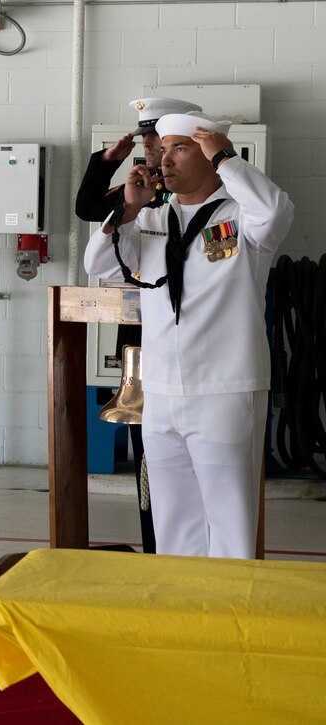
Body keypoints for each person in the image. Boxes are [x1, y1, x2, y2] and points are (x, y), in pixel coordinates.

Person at [83, 111, 294, 558]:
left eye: (179, 148)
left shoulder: (244, 219)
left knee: (229, 518)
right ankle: (181, 613)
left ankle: (228, 619)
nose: (164, 160)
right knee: (172, 517)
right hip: (160, 388)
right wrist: (127, 208)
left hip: (225, 388)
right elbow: (99, 265)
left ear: (210, 153)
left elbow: (276, 210)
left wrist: (228, 161)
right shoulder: (154, 219)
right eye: (163, 149)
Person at [74, 97, 201, 554]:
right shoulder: (139, 190)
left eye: (159, 139)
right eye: (147, 140)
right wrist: (105, 162)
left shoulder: (193, 192)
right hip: (142, 343)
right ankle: (155, 550)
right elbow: (88, 207)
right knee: (150, 461)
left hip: (191, 339)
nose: (151, 149)